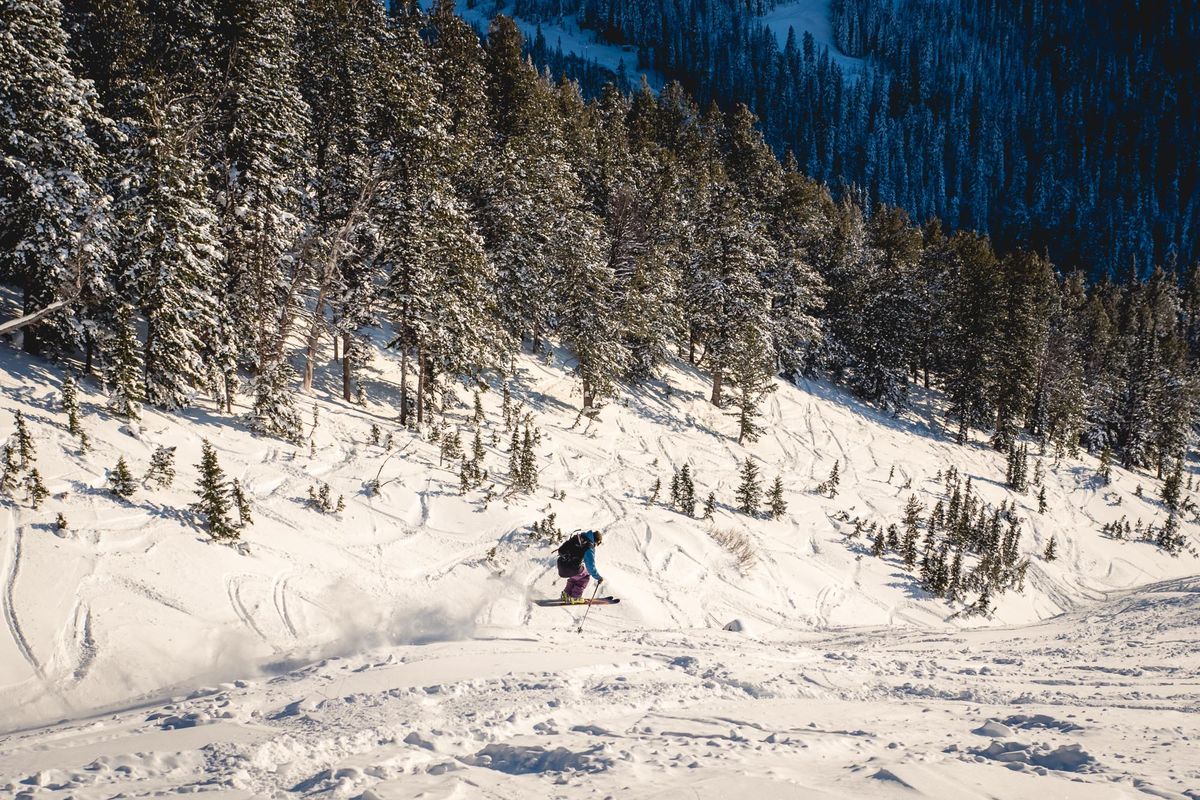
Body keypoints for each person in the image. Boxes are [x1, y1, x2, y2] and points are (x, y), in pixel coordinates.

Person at [557, 529, 603, 603]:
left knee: (577, 574)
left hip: (561, 564)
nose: (596, 545)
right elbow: (590, 566)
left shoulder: (578, 537)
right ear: (596, 540)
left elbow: (561, 550)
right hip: (571, 568)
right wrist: (598, 577)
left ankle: (566, 594)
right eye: (598, 543)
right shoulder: (588, 547)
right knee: (585, 576)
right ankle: (575, 597)